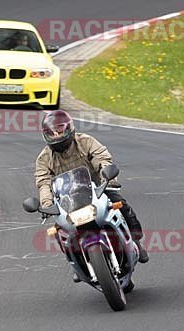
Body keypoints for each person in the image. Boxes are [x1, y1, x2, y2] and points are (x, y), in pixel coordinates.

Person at [34, 110, 149, 263]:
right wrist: (47, 203)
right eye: (52, 133)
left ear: (69, 128)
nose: (57, 136)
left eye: (60, 131)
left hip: (97, 190)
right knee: (59, 231)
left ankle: (136, 242)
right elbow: (43, 182)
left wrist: (108, 177)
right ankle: (76, 261)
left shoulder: (85, 141)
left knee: (121, 205)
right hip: (67, 200)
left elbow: (101, 157)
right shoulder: (44, 158)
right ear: (45, 135)